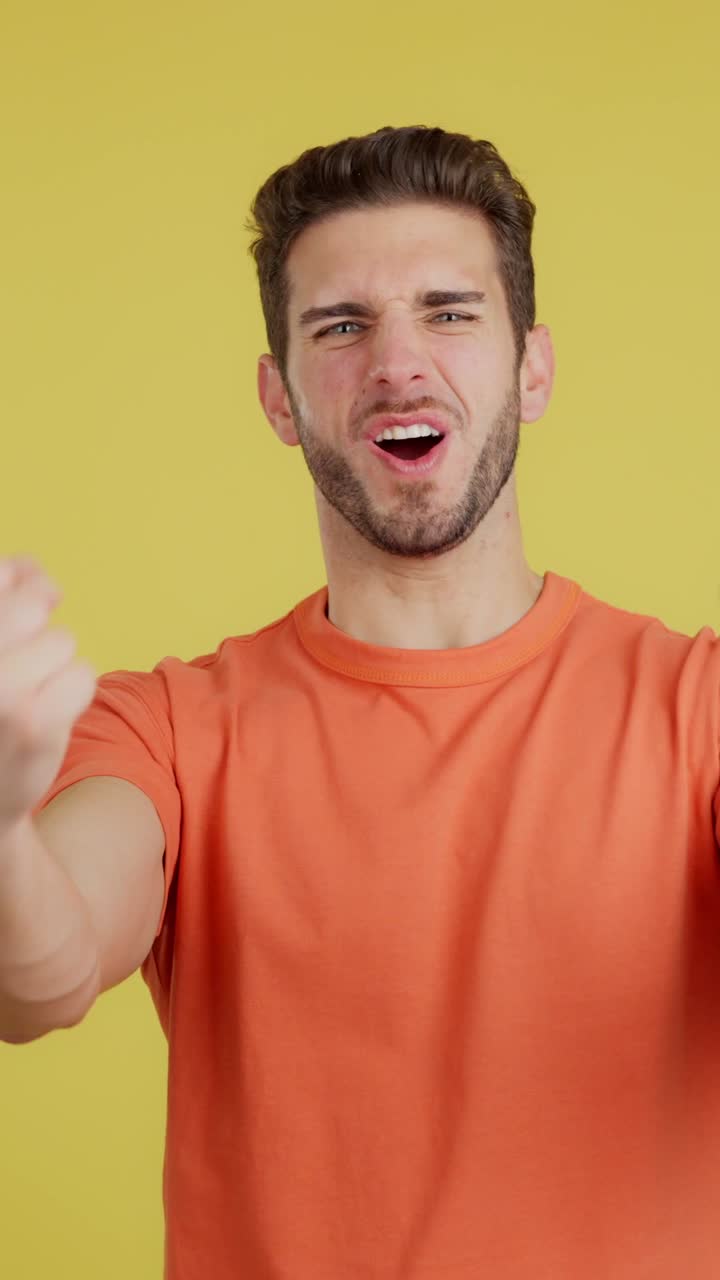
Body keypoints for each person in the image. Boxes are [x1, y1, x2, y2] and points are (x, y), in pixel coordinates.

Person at [2, 124, 719, 1279]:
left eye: (449, 311)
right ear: (279, 397)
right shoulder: (171, 730)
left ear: (532, 367)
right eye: (340, 326)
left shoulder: (699, 710)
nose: (397, 363)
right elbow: (37, 973)